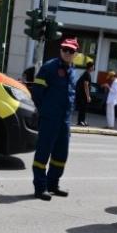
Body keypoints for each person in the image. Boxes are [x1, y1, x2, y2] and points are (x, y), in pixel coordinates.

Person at [31, 38, 79, 200]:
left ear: (75, 54)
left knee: (60, 155)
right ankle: (40, 187)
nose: (67, 53)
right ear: (60, 50)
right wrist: (45, 111)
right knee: (43, 154)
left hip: (64, 121)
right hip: (50, 119)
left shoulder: (73, 71)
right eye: (65, 49)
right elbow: (37, 91)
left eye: (71, 51)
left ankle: (53, 185)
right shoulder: (49, 67)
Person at [75, 60, 94, 127]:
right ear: (90, 67)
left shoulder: (86, 73)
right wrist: (88, 96)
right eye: (93, 67)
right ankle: (80, 121)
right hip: (82, 94)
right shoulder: (87, 74)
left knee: (84, 108)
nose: (93, 68)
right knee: (82, 108)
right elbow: (86, 85)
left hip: (82, 94)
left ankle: (82, 120)